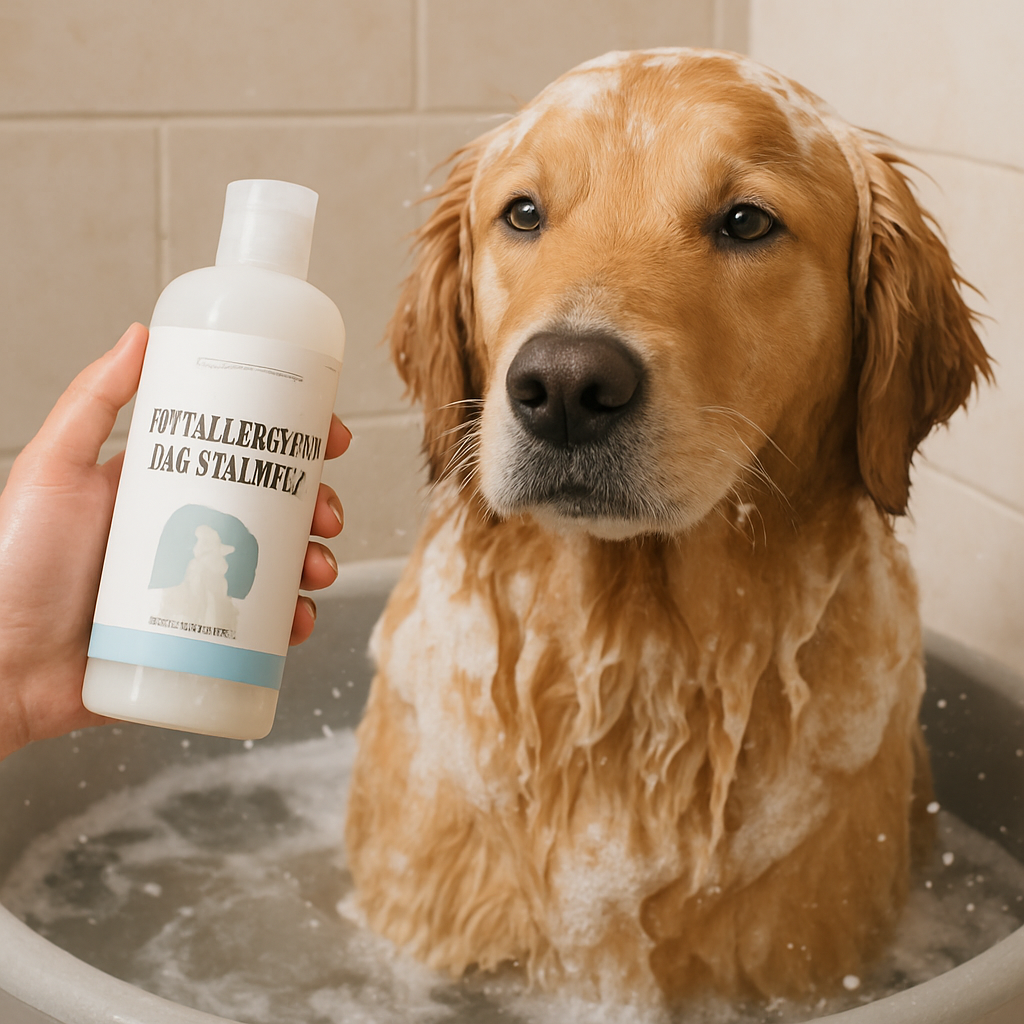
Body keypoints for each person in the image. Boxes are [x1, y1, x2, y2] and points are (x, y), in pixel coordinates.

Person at [0, 323, 350, 762]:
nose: (219, 563)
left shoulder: (321, 320)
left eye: (221, 557)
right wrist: (10, 675)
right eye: (210, 555)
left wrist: (12, 685)